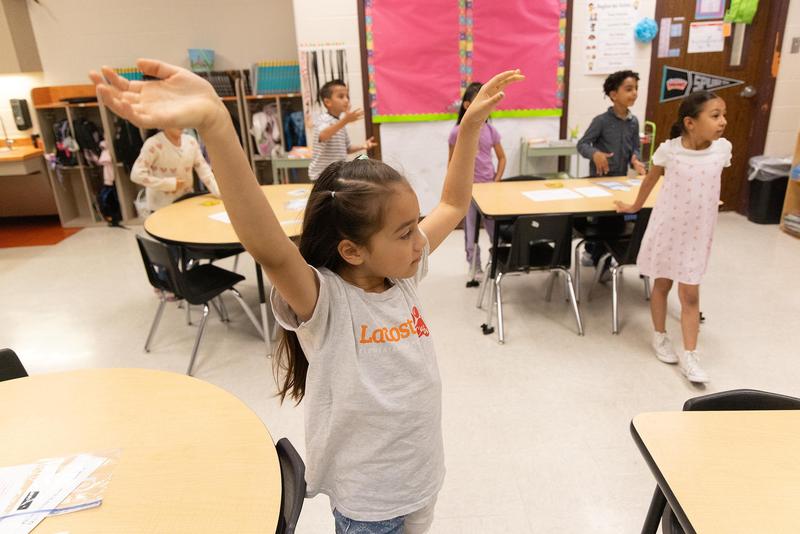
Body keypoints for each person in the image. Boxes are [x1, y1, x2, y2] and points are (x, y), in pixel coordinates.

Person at [91, 60, 523, 534]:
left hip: (421, 480)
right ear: (352, 250)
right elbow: (269, 248)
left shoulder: (401, 274)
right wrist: (215, 123)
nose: (420, 241)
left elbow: (454, 204)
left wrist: (470, 127)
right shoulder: (328, 302)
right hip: (370, 505)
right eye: (404, 233)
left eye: (414, 226)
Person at [615, 90, 731, 384]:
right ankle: (660, 336)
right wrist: (634, 206)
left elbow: (709, 185)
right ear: (690, 123)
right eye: (715, 116)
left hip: (697, 234)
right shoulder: (670, 151)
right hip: (667, 229)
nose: (723, 122)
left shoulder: (722, 150)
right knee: (662, 284)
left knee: (690, 293)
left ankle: (690, 355)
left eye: (723, 115)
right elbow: (650, 181)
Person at [577, 70, 647, 271]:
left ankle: (606, 256)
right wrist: (595, 154)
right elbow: (582, 144)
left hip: (621, 181)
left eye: (636, 89)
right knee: (601, 220)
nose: (634, 93)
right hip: (599, 182)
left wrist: (635, 159)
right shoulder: (601, 121)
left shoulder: (634, 122)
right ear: (614, 94)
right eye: (629, 89)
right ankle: (593, 252)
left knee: (617, 218)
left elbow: (635, 148)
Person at [448, 82, 506, 277]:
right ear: (466, 105)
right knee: (470, 230)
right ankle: (475, 266)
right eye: (480, 101)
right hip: (467, 192)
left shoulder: (490, 131)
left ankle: (498, 261)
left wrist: (496, 181)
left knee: (494, 229)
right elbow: (451, 163)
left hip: (488, 190)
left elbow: (502, 158)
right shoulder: (457, 133)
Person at [130, 127, 219, 213]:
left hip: (186, 201)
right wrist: (168, 184)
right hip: (160, 207)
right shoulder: (153, 144)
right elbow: (136, 175)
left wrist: (219, 193)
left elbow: (205, 172)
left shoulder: (191, 142)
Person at [308, 79, 377, 180]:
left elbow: (347, 148)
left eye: (347, 96)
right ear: (327, 102)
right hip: (321, 176)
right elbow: (323, 135)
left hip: (337, 175)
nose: (346, 100)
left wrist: (363, 146)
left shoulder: (340, 123)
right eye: (341, 96)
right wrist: (345, 120)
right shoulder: (322, 119)